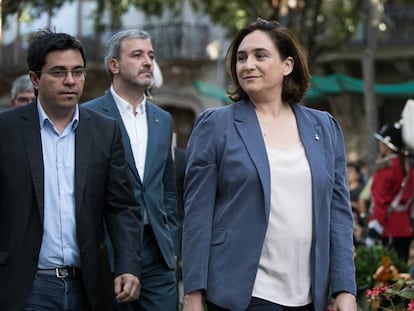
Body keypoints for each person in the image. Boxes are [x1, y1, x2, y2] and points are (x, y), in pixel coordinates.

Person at [182, 18, 356, 311]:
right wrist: (192, 294)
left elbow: (338, 216)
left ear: (287, 65)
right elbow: (197, 215)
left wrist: (345, 289)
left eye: (260, 55)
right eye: (241, 57)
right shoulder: (216, 125)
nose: (248, 64)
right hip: (242, 294)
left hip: (309, 296)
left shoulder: (324, 128)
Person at [0, 29, 142, 311]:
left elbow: (122, 207)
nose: (70, 81)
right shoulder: (6, 130)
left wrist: (128, 265)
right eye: (58, 72)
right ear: (35, 79)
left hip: (88, 287)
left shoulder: (104, 130)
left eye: (78, 72)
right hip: (26, 287)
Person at [83, 29, 179, 311]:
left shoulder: (164, 119)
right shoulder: (89, 116)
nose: (148, 62)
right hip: (110, 250)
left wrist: (171, 241)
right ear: (114, 65)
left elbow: (168, 189)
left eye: (150, 55)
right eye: (137, 55)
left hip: (158, 252)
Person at [367, 122, 414, 262]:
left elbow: (379, 202)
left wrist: (374, 230)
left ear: (388, 145)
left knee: (385, 278)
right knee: (402, 278)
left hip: (387, 228)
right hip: (405, 228)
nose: (380, 145)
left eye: (382, 142)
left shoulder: (385, 167)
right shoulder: (408, 167)